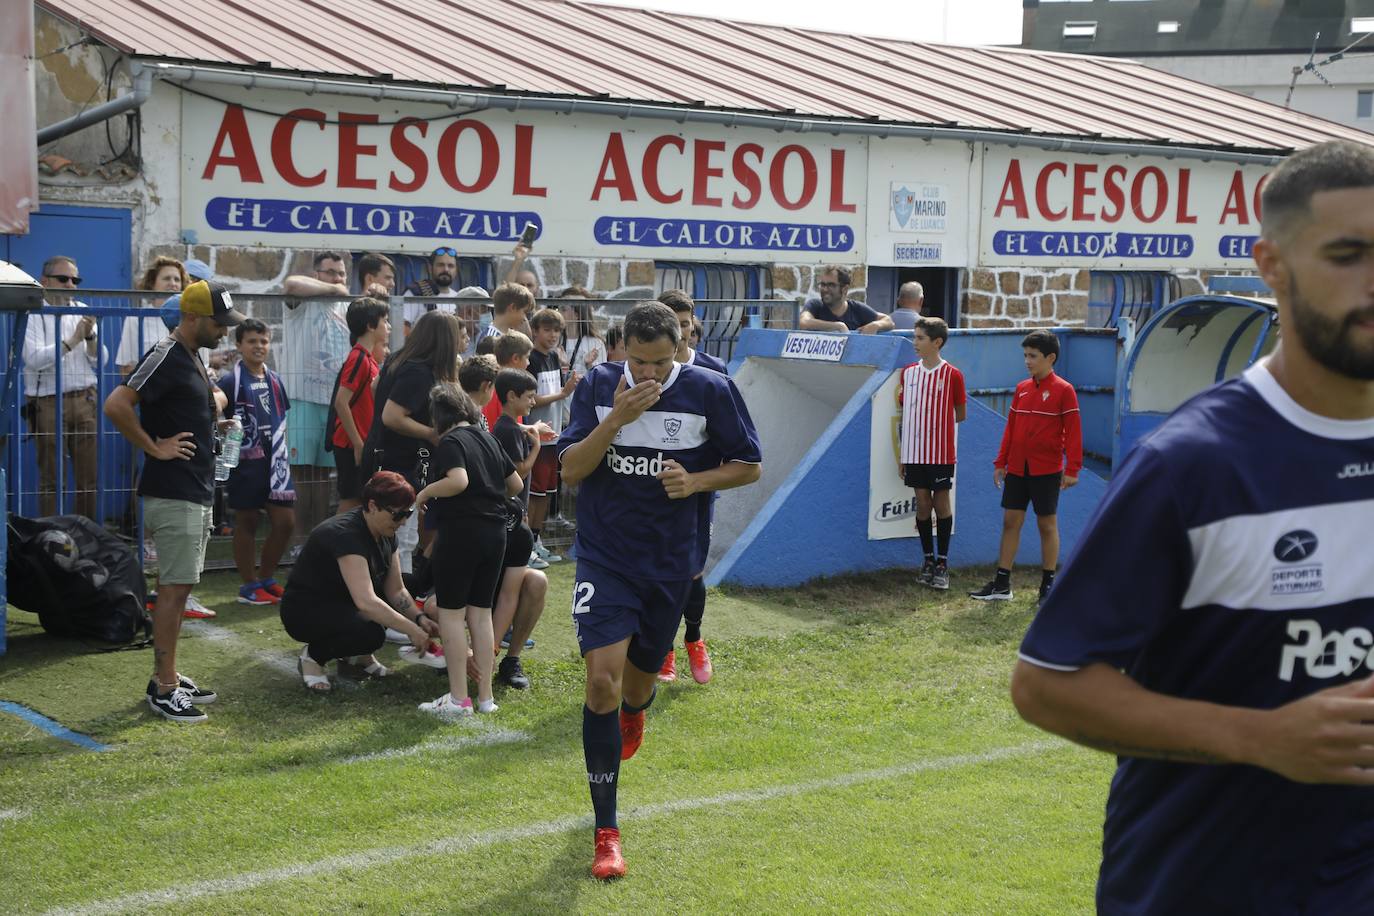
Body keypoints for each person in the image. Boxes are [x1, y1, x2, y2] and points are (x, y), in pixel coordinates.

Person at [1011, 139, 1374, 914]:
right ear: (1271, 265)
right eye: (1349, 254)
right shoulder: (1192, 466)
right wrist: (1260, 737)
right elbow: (1048, 686)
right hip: (1203, 888)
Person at [559, 301, 762, 879]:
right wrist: (613, 422)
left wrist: (696, 480)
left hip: (670, 562)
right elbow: (571, 470)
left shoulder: (709, 389)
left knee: (638, 680)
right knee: (601, 680)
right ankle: (607, 834)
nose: (647, 375)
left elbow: (749, 464)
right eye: (639, 362)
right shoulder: (599, 386)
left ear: (679, 351)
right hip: (605, 557)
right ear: (622, 348)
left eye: (660, 363)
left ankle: (637, 708)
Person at [103, 280, 243, 723]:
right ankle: (164, 686)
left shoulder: (191, 357)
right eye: (218, 323)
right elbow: (116, 404)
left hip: (194, 487)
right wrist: (153, 446)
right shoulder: (164, 354)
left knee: (180, 588)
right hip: (174, 489)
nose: (223, 331)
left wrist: (211, 430)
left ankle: (167, 674)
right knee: (174, 588)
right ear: (192, 318)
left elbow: (186, 410)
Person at [411, 384, 523, 716]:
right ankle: (486, 697)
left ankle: (459, 698)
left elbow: (458, 481)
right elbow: (515, 485)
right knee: (480, 613)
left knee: (451, 615)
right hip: (495, 533)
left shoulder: (450, 442)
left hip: (461, 534)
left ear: (438, 416)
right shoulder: (487, 438)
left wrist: (424, 494)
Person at [281, 471, 437, 691]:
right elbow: (366, 602)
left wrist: (420, 618)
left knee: (410, 583)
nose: (402, 522)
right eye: (397, 515)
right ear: (373, 506)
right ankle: (313, 657)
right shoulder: (346, 535)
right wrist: (412, 629)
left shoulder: (386, 532)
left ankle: (357, 659)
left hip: (340, 601)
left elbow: (397, 591)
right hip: (305, 609)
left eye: (408, 514)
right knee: (369, 634)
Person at [969, 330, 1081, 606]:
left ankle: (1048, 584)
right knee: (1010, 522)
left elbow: (1074, 432)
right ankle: (1002, 583)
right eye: (1025, 355)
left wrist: (1073, 469)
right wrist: (1000, 461)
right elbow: (1011, 429)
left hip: (1047, 470)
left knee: (1046, 524)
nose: (1027, 361)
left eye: (1033, 356)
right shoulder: (1022, 389)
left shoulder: (1064, 390)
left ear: (1050, 358)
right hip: (1018, 468)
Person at [655, 289, 728, 684]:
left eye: (685, 324)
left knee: (693, 571)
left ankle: (694, 640)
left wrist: (705, 475)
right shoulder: (648, 370)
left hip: (698, 490)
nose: (680, 332)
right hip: (653, 488)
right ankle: (663, 649)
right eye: (673, 323)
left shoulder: (714, 369)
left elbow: (730, 430)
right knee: (661, 571)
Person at [364, 310, 463, 572]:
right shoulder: (419, 371)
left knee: (395, 534)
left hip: (384, 453)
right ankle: (399, 592)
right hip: (400, 460)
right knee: (402, 536)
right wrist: (431, 433)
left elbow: (376, 389)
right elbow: (392, 415)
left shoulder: (399, 359)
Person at [282, 252, 365, 535]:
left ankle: (315, 537)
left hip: (333, 403)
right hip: (302, 397)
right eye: (330, 272)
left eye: (341, 274)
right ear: (316, 273)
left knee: (323, 478)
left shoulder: (346, 307)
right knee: (303, 474)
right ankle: (299, 539)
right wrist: (335, 289)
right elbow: (291, 284)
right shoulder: (302, 303)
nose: (338, 279)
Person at [218, 319, 296, 606]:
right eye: (252, 341)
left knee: (285, 522)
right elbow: (217, 415)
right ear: (239, 345)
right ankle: (249, 585)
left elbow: (282, 418)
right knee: (247, 520)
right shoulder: (229, 381)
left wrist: (284, 450)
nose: (259, 346)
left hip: (275, 463)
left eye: (263, 341)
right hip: (246, 462)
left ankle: (265, 577)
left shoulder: (274, 379)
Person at [23, 255, 103, 519]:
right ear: (45, 281)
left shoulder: (82, 309)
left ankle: (87, 536)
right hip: (47, 402)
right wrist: (72, 340)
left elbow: (100, 359)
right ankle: (52, 538)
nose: (71, 284)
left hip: (84, 400)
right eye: (63, 279)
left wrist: (89, 336)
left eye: (75, 279)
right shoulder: (33, 313)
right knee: (51, 479)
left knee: (88, 480)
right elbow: (33, 359)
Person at [490, 367, 551, 688]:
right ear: (510, 396)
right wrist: (537, 447)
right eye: (528, 397)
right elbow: (516, 475)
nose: (533, 401)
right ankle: (483, 650)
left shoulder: (506, 426)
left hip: (513, 522)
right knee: (505, 589)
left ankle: (505, 655)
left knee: (531, 582)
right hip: (506, 522)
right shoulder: (509, 432)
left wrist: (531, 428)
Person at [896, 317, 966, 590]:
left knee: (942, 504)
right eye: (914, 337)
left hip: (940, 453)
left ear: (937, 342)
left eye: (920, 338)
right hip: (913, 453)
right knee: (922, 504)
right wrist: (904, 454)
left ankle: (943, 563)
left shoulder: (953, 375)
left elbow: (960, 413)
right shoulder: (908, 373)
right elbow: (906, 410)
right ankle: (927, 559)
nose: (915, 343)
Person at [527, 308, 578, 565]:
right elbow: (532, 400)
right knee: (534, 493)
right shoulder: (531, 360)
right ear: (535, 331)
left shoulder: (554, 358)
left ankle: (537, 540)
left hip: (554, 435)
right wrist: (562, 393)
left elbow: (559, 392)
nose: (552, 335)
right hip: (536, 436)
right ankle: (527, 546)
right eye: (547, 330)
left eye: (556, 330)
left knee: (547, 491)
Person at [331, 297, 390, 514]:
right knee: (350, 501)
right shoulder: (357, 358)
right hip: (350, 443)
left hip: (362, 441)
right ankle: (333, 546)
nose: (388, 326)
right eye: (384, 321)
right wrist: (357, 443)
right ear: (370, 325)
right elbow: (341, 401)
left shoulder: (368, 358)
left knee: (360, 499)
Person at [119, 256, 187, 375]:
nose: (173, 284)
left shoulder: (190, 319)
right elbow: (126, 368)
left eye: (177, 279)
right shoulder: (135, 319)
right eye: (167, 278)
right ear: (152, 283)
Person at [799, 266, 894, 334]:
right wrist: (838, 326)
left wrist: (875, 325)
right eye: (823, 285)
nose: (825, 289)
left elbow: (888, 321)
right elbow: (804, 322)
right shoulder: (815, 305)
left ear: (844, 289)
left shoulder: (857, 309)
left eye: (831, 285)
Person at [481, 330, 533, 432]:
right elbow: (509, 427)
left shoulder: (491, 383)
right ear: (515, 358)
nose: (528, 363)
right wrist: (533, 429)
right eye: (527, 357)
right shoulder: (508, 388)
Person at [402, 246, 461, 333]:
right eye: (440, 265)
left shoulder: (459, 297)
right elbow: (402, 327)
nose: (446, 269)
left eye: (450, 266)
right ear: (430, 269)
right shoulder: (416, 293)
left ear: (456, 270)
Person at [559, 295, 605, 374]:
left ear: (577, 315)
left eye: (564, 310)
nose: (559, 313)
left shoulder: (596, 343)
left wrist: (589, 364)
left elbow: (602, 374)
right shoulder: (556, 340)